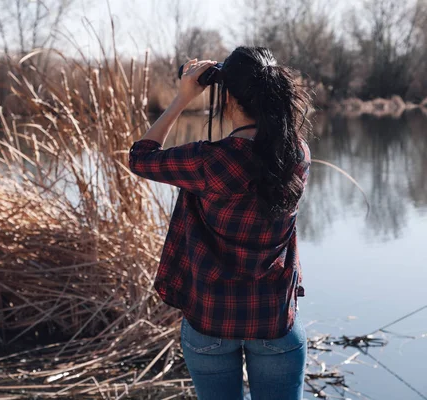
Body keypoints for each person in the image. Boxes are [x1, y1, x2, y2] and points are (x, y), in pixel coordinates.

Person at [128, 46, 312, 400]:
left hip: (211, 320)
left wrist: (182, 98)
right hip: (275, 320)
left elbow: (140, 157)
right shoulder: (297, 155)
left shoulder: (210, 162)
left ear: (227, 97)